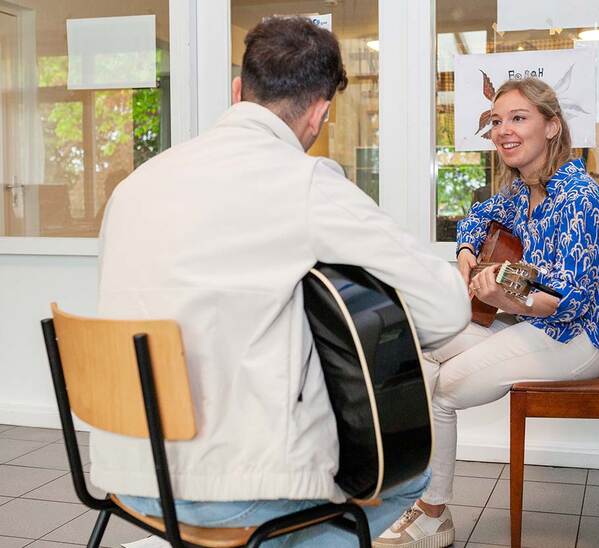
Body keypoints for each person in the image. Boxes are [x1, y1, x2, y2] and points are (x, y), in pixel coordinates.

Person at [94, 16, 470, 547]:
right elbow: (447, 310)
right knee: (410, 475)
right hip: (238, 487)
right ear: (319, 113)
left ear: (237, 91)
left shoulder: (135, 185)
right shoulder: (305, 182)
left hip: (127, 472)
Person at [375, 78, 599, 548]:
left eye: (518, 118)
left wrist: (502, 299)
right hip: (534, 327)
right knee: (418, 345)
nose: (503, 130)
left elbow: (568, 304)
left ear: (552, 127)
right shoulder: (522, 190)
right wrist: (468, 249)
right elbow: (476, 216)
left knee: (444, 390)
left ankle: (432, 516)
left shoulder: (581, 199)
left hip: (579, 341)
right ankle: (410, 489)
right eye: (496, 121)